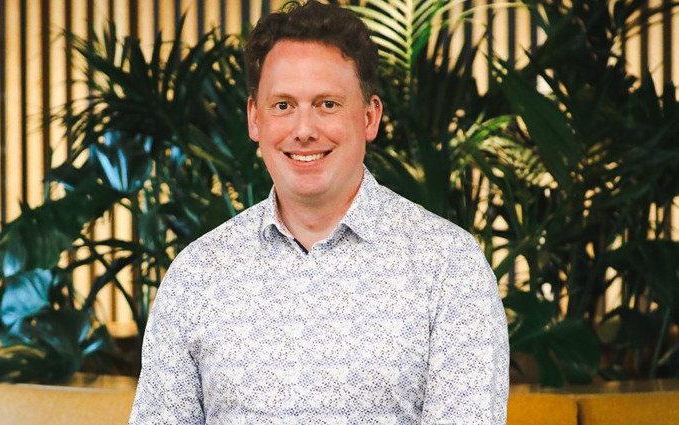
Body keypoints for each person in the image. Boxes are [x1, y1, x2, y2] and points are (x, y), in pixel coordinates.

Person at [129, 1, 509, 423]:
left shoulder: (449, 267)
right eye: (283, 105)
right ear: (255, 119)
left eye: (327, 104)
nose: (304, 129)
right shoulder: (196, 276)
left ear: (369, 116)